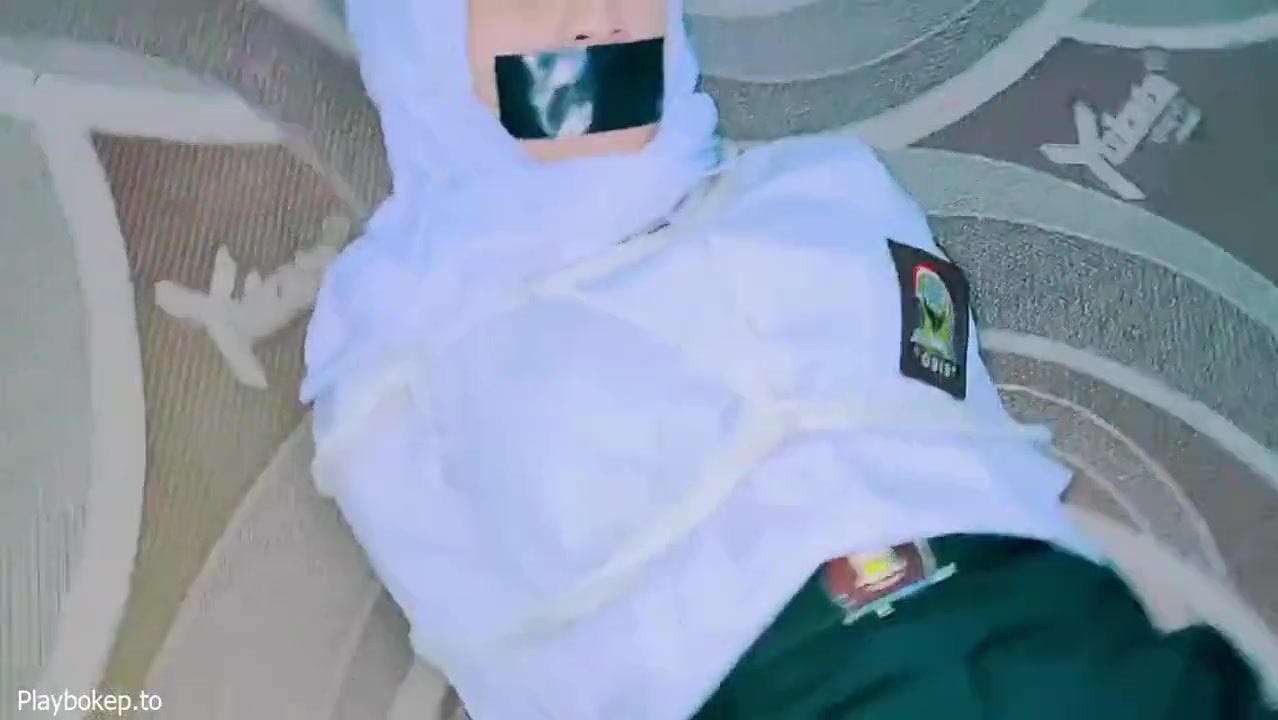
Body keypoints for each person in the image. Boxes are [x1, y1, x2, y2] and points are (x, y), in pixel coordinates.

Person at [301, 0, 1277, 718]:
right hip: (780, 686)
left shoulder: (825, 191)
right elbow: (485, 645)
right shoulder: (400, 346)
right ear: (425, 39)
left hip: (1045, 627)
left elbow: (959, 419)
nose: (595, 17)